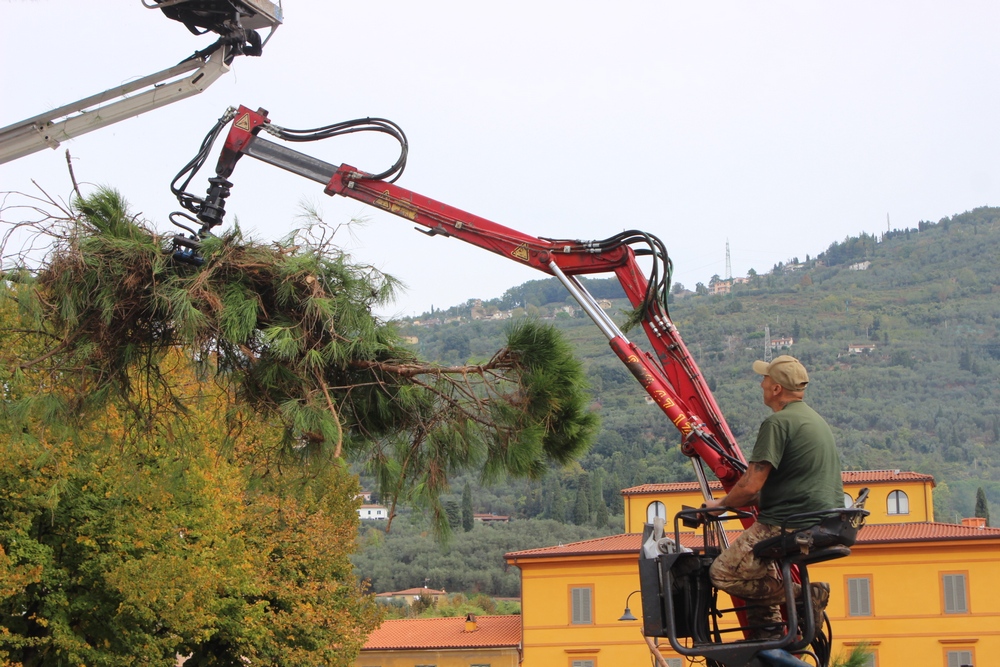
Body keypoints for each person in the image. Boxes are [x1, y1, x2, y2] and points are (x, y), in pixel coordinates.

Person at [704, 355, 843, 640]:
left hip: (789, 523)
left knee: (723, 573)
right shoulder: (814, 421)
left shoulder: (778, 424)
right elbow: (787, 485)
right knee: (754, 570)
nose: (761, 383)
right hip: (822, 520)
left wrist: (720, 505)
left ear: (777, 388)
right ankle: (766, 631)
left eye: (765, 379)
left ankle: (804, 594)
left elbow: (751, 485)